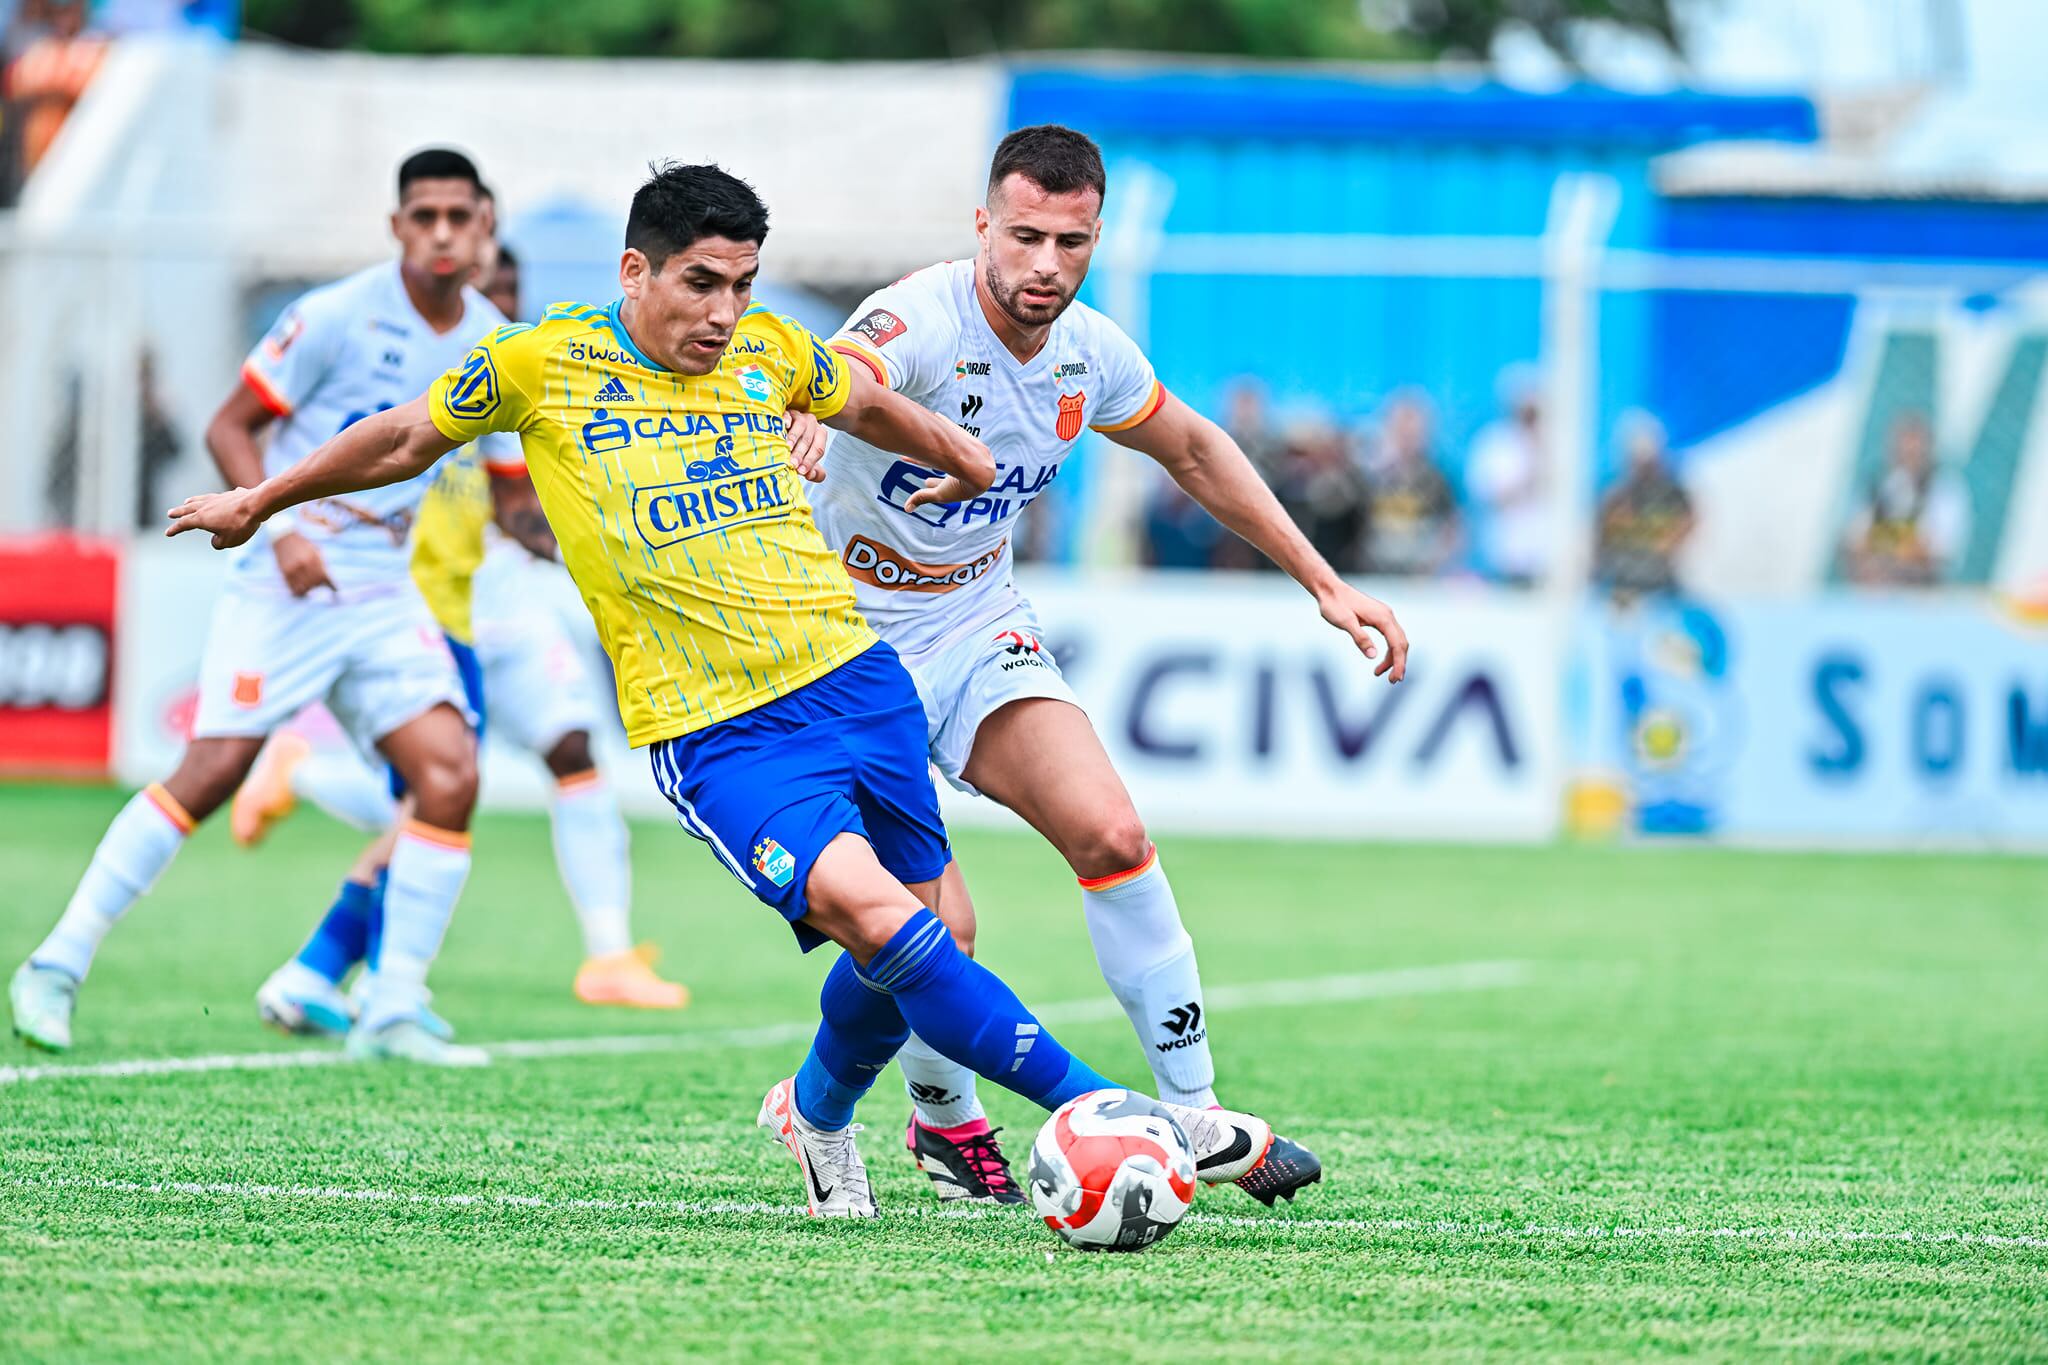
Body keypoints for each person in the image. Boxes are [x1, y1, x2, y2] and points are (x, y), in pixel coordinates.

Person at [164, 161, 1314, 1219]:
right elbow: (404, 436)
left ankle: (814, 1117)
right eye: (701, 284)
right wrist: (262, 500)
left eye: (742, 285)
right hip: (719, 730)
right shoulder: (536, 362)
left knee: (936, 930)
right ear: (636, 272)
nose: (722, 313)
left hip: (857, 682)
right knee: (888, 921)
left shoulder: (767, 350)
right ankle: (1129, 1114)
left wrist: (956, 456)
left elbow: (861, 402)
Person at [815, 125, 1407, 1204]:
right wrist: (823, 404)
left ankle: (1193, 1113)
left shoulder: (1091, 351)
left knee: (1112, 833)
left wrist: (1323, 582)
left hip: (970, 621)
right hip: (838, 648)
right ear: (981, 226)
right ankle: (941, 1122)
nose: (1044, 263)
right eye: (1025, 236)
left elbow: (1190, 448)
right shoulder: (915, 318)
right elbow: (844, 371)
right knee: (930, 925)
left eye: (1071, 242)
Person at [8, 148, 509, 1064]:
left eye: (459, 216)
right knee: (211, 773)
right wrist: (282, 532)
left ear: (485, 226)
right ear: (397, 226)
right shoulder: (334, 314)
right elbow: (228, 425)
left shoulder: (492, 337)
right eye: (424, 215)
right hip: (286, 574)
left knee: (450, 774)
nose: (443, 232)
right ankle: (56, 961)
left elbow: (512, 476)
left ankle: (391, 1006)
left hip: (384, 584)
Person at [236, 236, 689, 1021]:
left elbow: (523, 511)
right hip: (429, 615)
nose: (500, 305)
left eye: (511, 292)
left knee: (567, 753)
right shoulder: (424, 381)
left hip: (505, 607)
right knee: (436, 799)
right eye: (491, 288)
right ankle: (332, 960)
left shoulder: (530, 377)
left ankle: (608, 952)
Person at [1840, 411, 1970, 587]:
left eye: (1915, 449)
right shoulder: (1878, 486)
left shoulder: (1944, 491)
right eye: (1904, 448)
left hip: (1921, 594)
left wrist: (1887, 545)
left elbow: (1939, 551)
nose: (1909, 454)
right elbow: (1854, 541)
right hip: (1874, 592)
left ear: (1928, 449)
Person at [1358, 390, 1460, 577]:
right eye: (1401, 429)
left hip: (1418, 576)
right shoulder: (1370, 475)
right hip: (1373, 573)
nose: (1408, 437)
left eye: (1413, 431)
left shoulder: (1435, 478)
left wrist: (1433, 563)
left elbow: (1452, 526)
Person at [1594, 411, 1695, 599]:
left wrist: (1667, 542)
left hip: (1661, 585)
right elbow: (1599, 540)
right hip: (1621, 585)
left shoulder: (1672, 493)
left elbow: (1689, 521)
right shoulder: (1615, 494)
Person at [1465, 367, 1548, 585]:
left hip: (1546, 561)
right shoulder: (1495, 444)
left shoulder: (1558, 445)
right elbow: (1490, 496)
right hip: (1505, 559)